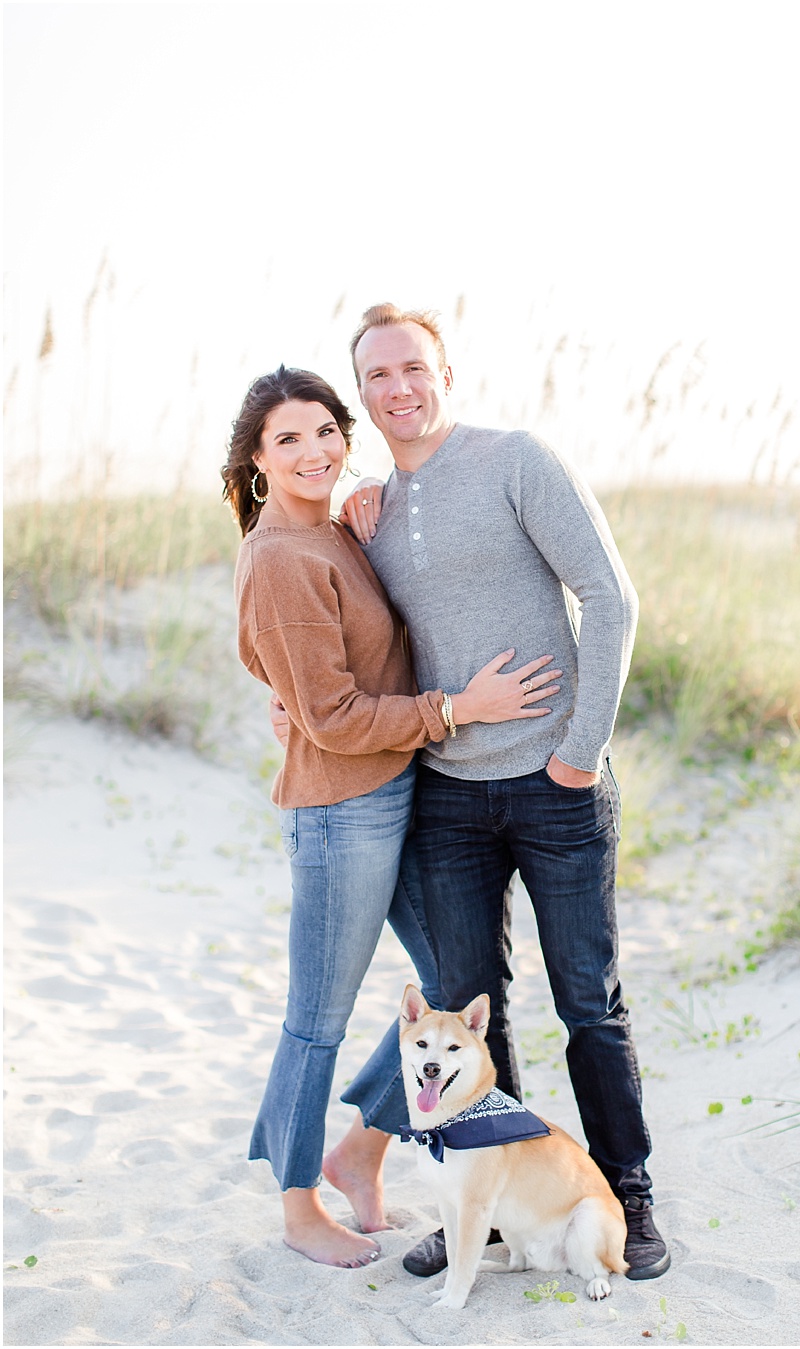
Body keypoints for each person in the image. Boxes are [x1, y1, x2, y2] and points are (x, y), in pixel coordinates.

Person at [328, 303, 669, 1281]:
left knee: (589, 1003)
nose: (400, 387)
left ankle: (628, 1194)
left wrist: (580, 751)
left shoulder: (518, 459)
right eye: (379, 376)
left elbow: (612, 597)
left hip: (558, 786)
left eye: (414, 367)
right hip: (451, 802)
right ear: (364, 394)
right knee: (471, 1012)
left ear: (445, 372)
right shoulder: (374, 513)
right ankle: (488, 1203)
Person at [225, 366, 558, 1267]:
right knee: (316, 1018)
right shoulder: (284, 553)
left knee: (455, 981)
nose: (313, 451)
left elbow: (284, 661)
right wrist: (455, 709)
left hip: (397, 791)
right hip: (341, 814)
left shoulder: (332, 531)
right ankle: (298, 1205)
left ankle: (361, 1149)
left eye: (326, 432)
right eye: (287, 439)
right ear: (257, 459)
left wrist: (284, 689)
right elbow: (329, 715)